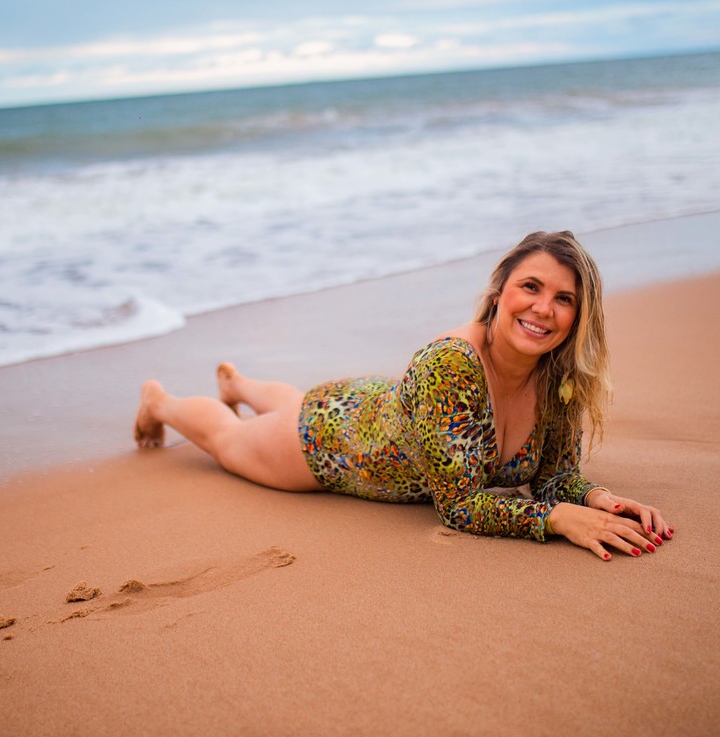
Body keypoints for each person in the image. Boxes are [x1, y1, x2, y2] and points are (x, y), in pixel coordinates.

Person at [134, 230, 673, 560]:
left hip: (383, 405)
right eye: (530, 287)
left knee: (289, 400)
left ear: (578, 316)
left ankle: (239, 385)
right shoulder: (451, 364)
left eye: (563, 298)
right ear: (500, 290)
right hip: (333, 443)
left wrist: (598, 500)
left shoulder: (560, 375)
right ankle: (160, 402)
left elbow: (554, 477)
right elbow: (459, 507)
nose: (542, 309)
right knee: (230, 440)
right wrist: (554, 519)